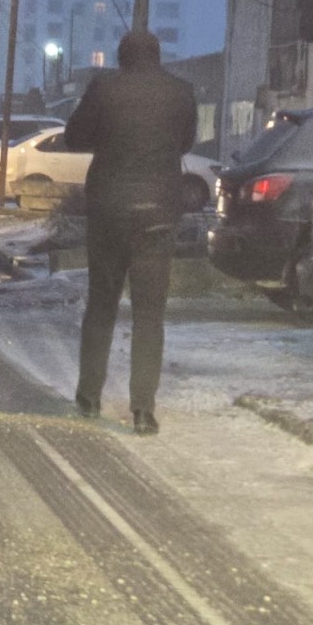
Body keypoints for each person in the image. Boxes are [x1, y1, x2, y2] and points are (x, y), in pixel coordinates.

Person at [63, 29, 197, 436]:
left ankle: (89, 396)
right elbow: (185, 142)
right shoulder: (181, 91)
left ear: (121, 57)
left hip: (108, 210)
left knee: (102, 305)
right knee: (149, 313)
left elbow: (74, 137)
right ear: (157, 57)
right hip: (158, 211)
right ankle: (143, 410)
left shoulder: (104, 88)